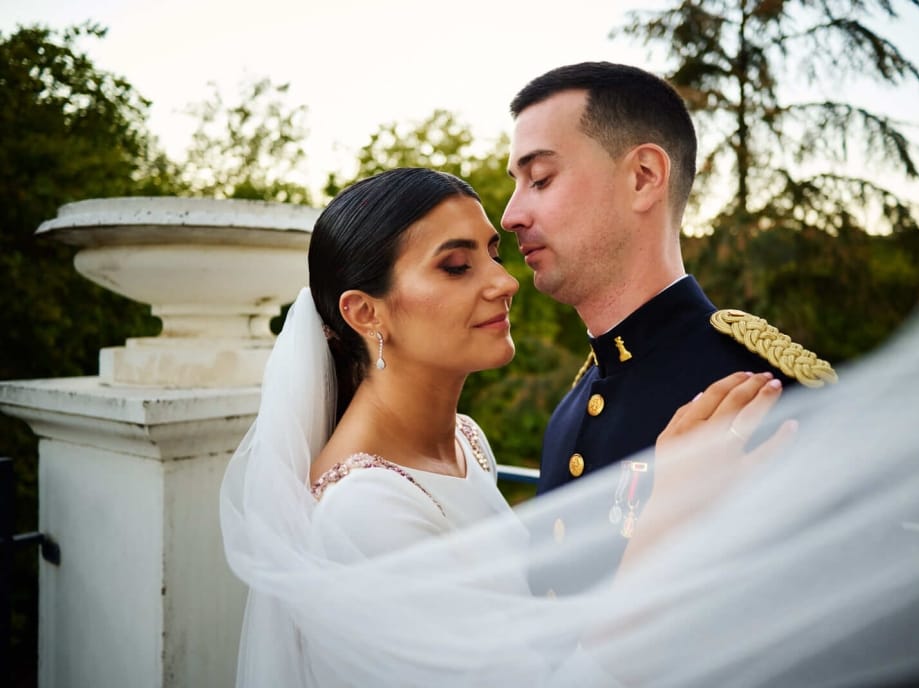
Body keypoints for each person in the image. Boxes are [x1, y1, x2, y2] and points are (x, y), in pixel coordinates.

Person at [220, 167, 793, 687]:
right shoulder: (364, 511)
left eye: (494, 254)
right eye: (456, 267)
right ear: (365, 313)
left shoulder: (465, 441)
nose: (505, 281)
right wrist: (668, 522)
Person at [500, 61, 837, 593]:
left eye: (540, 178)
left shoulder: (760, 393)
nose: (511, 215)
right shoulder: (573, 406)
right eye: (517, 184)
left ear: (643, 177)